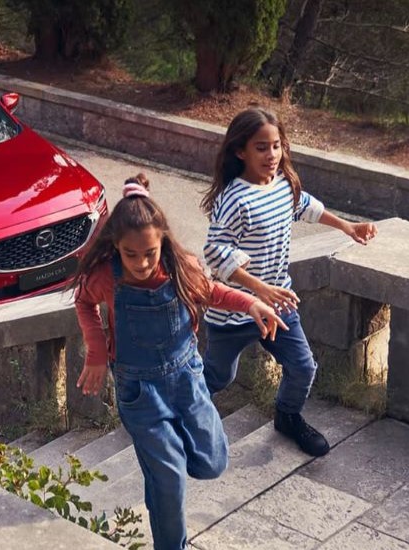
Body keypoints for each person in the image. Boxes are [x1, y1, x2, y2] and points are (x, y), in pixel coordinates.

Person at [72, 174, 286, 550]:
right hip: (139, 392)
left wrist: (251, 302)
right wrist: (95, 352)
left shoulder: (181, 266)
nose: (141, 263)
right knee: (170, 477)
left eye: (149, 253)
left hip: (187, 379)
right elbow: (84, 302)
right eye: (131, 254)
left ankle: (162, 472)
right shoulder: (107, 276)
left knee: (212, 462)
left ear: (163, 242)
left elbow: (212, 291)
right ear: (116, 248)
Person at [201, 108, 378, 457]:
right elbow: (215, 254)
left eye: (276, 146)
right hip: (234, 314)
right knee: (218, 378)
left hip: (278, 305)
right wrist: (257, 288)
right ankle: (180, 411)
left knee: (302, 366)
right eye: (261, 148)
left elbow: (306, 206)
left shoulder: (284, 184)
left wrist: (348, 226)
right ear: (241, 152)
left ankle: (287, 416)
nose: (271, 155)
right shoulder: (234, 199)